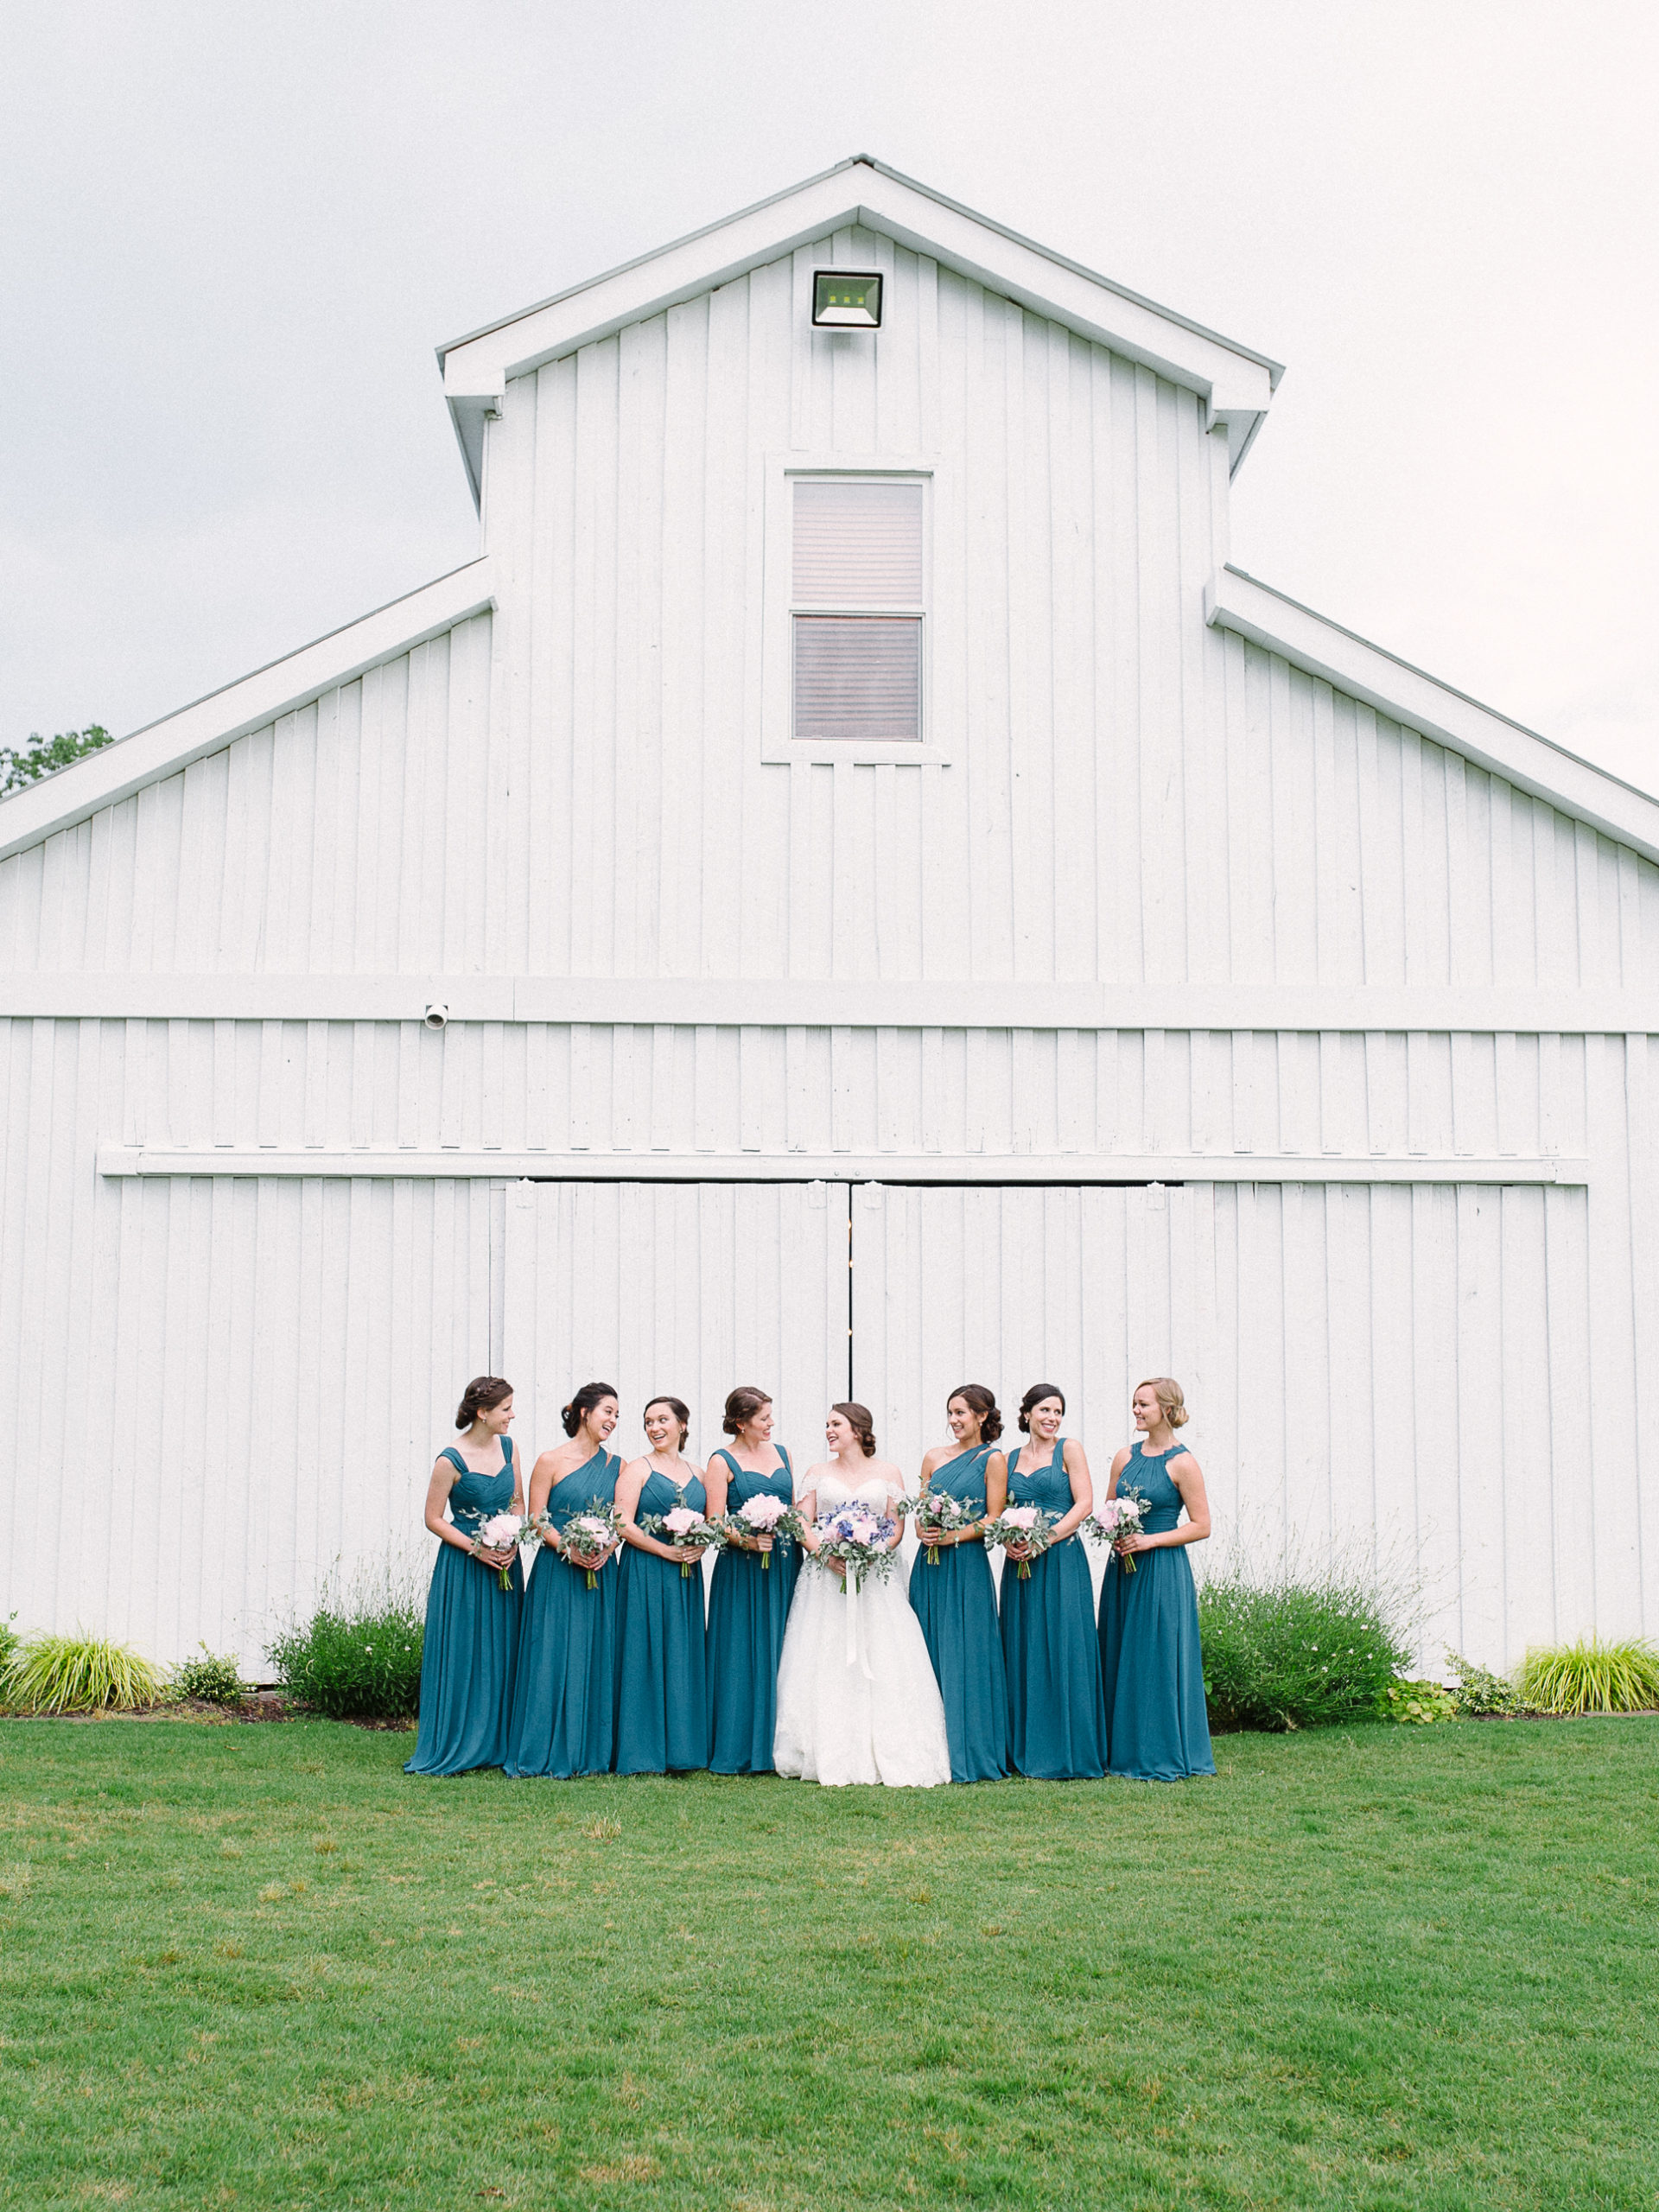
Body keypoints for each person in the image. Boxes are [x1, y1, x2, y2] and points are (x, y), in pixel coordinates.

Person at [775, 1403, 950, 1787]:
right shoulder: (816, 1474)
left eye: (835, 1424)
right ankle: (824, 1745)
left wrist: (873, 1552)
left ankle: (888, 1744)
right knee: (825, 1653)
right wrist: (825, 1552)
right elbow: (801, 1522)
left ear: (858, 1429)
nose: (828, 1431)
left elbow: (896, 1526)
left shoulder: (888, 1473)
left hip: (876, 1578)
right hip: (826, 1577)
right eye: (826, 1425)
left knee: (884, 1653)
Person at [1097, 1377, 1216, 1781]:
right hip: (1123, 1569)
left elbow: (1201, 1525)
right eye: (1133, 1403)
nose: (1135, 1410)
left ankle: (1160, 1751)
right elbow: (1110, 1508)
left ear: (1166, 1409)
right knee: (1120, 1651)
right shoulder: (1123, 1456)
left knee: (1157, 1657)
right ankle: (1120, 1751)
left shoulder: (1183, 1462)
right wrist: (1113, 1532)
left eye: (1143, 1404)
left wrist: (1149, 1540)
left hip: (1162, 1570)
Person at [405, 1376, 524, 1776]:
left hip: (507, 1560)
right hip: (465, 1566)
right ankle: (461, 1739)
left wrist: (511, 1536)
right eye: (506, 1409)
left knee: (504, 1649)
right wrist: (478, 1547)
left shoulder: (510, 1448)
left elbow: (518, 1502)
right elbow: (433, 1518)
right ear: (483, 1412)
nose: (512, 1415)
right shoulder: (449, 1460)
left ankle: (498, 1742)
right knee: (466, 1650)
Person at [505, 1382, 623, 1779]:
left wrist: (607, 1546)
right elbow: (536, 1518)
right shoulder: (550, 1461)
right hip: (558, 1570)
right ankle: (544, 1746)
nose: (613, 1420)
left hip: (603, 1572)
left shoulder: (618, 1466)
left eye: (617, 1415)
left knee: (598, 1653)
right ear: (584, 1412)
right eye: (608, 1411)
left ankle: (592, 1751)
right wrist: (568, 1549)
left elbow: (622, 1519)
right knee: (552, 1654)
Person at [1000, 1383, 1107, 1779]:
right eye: (1044, 1410)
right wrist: (1009, 1539)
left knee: (1064, 1645)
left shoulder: (1069, 1449)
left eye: (1058, 1412)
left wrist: (1047, 1538)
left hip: (1060, 1558)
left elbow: (1085, 1503)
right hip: (1020, 1562)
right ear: (1026, 1413)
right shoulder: (1009, 1458)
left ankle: (1069, 1749)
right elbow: (1002, 1509)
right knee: (1024, 1644)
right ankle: (1024, 1748)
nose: (1052, 1418)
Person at [908, 1384, 1008, 1783]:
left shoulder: (993, 1459)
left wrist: (954, 1535)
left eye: (961, 1413)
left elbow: (994, 1517)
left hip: (966, 1565)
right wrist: (923, 1530)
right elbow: (917, 1510)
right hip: (929, 1565)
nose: (954, 1421)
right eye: (950, 1413)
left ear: (982, 1417)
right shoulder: (933, 1457)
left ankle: (970, 1748)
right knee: (926, 1649)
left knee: (966, 1652)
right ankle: (925, 1749)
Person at [703, 1386, 799, 1775]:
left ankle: (783, 1745)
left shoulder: (784, 1454)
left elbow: (793, 1507)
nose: (771, 1423)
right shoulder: (721, 1460)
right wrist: (746, 1539)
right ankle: (740, 1744)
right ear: (741, 1423)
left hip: (784, 1562)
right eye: (763, 1418)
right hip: (742, 1568)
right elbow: (714, 1520)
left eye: (771, 1416)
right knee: (741, 1647)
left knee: (785, 1644)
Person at [613, 1395, 709, 1774]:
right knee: (644, 1651)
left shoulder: (700, 1474)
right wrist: (663, 1551)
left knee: (682, 1651)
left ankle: (683, 1748)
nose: (655, 1428)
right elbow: (622, 1523)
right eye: (649, 1422)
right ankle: (641, 1749)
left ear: (682, 1425)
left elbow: (711, 1519)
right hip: (646, 1571)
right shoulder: (638, 1469)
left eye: (663, 1420)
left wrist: (700, 1542)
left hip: (686, 1575)